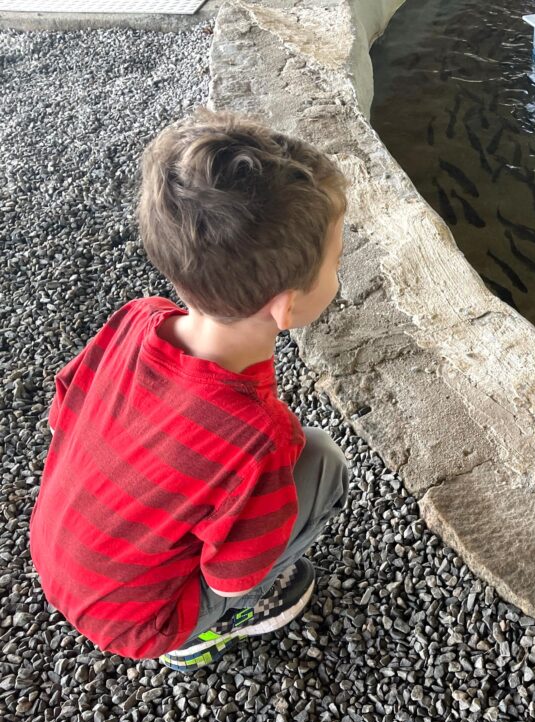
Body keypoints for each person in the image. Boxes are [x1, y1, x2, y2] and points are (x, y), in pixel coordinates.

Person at [29, 108, 352, 672]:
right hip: (140, 623)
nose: (338, 276)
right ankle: (203, 635)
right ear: (287, 307)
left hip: (53, 553)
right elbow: (232, 573)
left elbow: (63, 414)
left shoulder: (136, 318)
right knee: (322, 461)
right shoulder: (260, 437)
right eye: (335, 263)